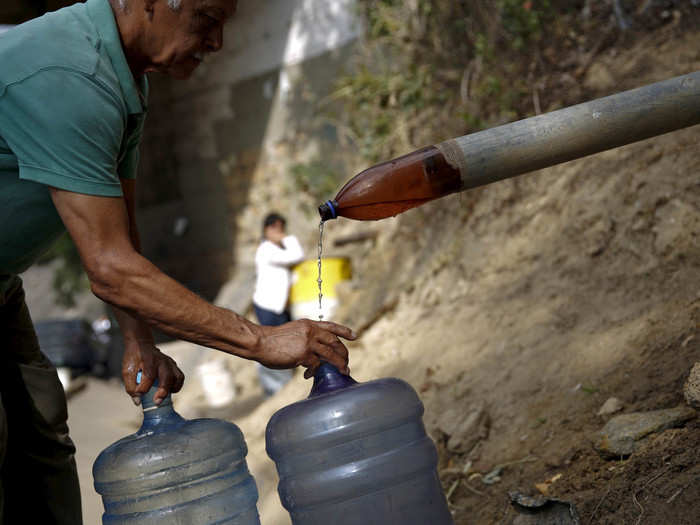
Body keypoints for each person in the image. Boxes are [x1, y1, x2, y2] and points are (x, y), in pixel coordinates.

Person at [0, 1, 355, 523]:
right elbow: (109, 266)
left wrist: (139, 340)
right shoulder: (70, 74)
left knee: (41, 436)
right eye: (206, 20)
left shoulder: (125, 82)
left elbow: (120, 232)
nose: (216, 43)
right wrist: (259, 340)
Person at [252, 213, 304, 396]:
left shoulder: (276, 251)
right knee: (270, 345)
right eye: (277, 229)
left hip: (279, 307)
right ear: (268, 230)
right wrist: (287, 238)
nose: (280, 233)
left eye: (282, 229)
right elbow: (297, 255)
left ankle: (286, 382)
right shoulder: (266, 250)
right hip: (267, 306)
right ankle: (275, 388)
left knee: (284, 341)